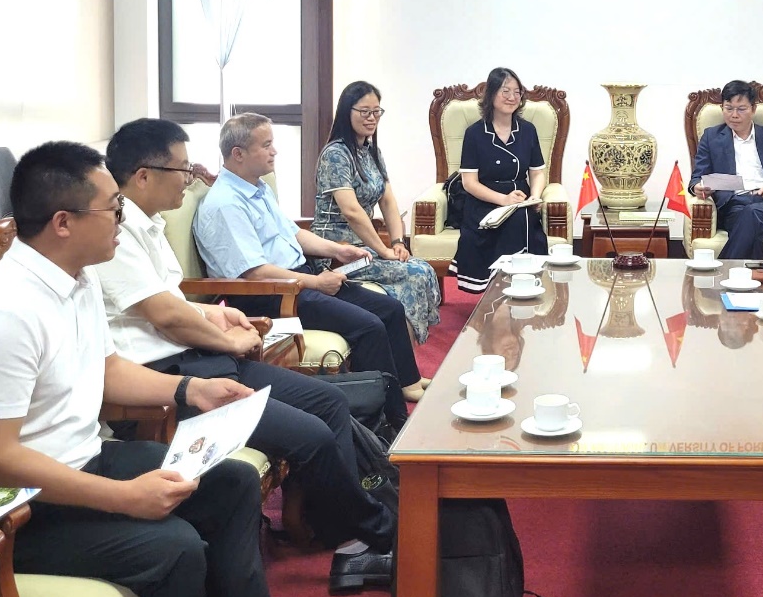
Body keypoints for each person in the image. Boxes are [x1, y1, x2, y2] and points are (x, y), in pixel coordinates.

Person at [0, 142, 274, 597]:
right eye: (114, 209)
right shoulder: (2, 312)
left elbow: (108, 370)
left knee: (232, 482)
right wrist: (125, 498)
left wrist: (192, 390)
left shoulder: (77, 276)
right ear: (63, 223)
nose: (122, 221)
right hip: (7, 509)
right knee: (175, 549)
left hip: (78, 460)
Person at [97, 119, 396, 593]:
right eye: (182, 169)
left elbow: (174, 301)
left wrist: (218, 314)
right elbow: (164, 314)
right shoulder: (114, 235)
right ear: (144, 176)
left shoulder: (148, 225)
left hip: (199, 358)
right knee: (312, 434)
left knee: (330, 402)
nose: (192, 177)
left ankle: (340, 526)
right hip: (169, 381)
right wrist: (228, 339)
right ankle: (378, 534)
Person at [194, 113, 423, 426]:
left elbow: (293, 234)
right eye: (266, 145)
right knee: (369, 326)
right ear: (238, 154)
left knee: (390, 308)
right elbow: (254, 273)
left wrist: (337, 250)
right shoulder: (225, 204)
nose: (274, 151)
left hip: (297, 279)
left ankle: (407, 384)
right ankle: (390, 423)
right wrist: (314, 283)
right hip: (270, 294)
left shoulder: (257, 188)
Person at [312, 80, 442, 344]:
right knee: (415, 274)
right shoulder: (336, 154)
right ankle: (403, 355)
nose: (371, 118)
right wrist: (383, 250)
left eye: (376, 112)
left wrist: (398, 242)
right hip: (336, 253)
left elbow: (388, 201)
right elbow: (352, 211)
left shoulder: (371, 152)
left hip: (365, 248)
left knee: (424, 269)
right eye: (364, 112)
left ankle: (404, 353)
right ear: (347, 111)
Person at [454, 67, 549, 293]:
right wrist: (503, 200)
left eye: (517, 92)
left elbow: (537, 172)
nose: (512, 97)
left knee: (520, 217)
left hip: (520, 199)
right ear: (491, 94)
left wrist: (535, 196)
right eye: (505, 91)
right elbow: (469, 183)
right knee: (513, 220)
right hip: (484, 202)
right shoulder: (475, 133)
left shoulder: (528, 130)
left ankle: (521, 284)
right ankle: (503, 289)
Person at [689, 80, 763, 260]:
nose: (734, 115)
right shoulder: (711, 137)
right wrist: (698, 187)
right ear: (722, 108)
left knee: (751, 214)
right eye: (728, 108)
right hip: (735, 205)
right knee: (752, 231)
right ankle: (753, 277)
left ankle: (719, 271)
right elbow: (697, 178)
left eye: (741, 109)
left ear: (753, 109)